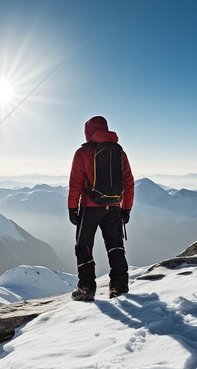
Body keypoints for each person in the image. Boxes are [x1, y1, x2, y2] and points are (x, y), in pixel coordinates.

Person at [68, 116, 134, 301]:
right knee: (115, 246)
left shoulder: (83, 152)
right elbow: (129, 183)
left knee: (84, 247)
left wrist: (72, 209)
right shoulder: (120, 152)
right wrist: (126, 209)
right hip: (114, 207)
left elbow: (75, 184)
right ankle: (119, 287)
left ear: (88, 132)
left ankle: (86, 289)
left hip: (90, 208)